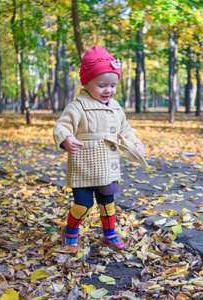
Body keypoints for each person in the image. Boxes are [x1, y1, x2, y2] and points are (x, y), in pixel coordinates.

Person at [53, 46, 148, 250]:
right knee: (83, 205)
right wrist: (66, 138)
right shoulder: (77, 106)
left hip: (107, 166)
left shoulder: (115, 107)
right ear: (86, 83)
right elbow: (62, 125)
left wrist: (136, 143)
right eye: (102, 85)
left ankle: (110, 234)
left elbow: (125, 129)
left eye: (113, 85)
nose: (108, 90)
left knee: (107, 202)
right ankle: (70, 230)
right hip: (84, 166)